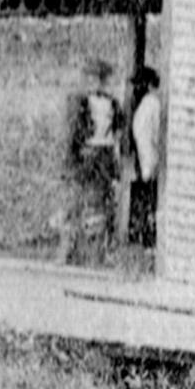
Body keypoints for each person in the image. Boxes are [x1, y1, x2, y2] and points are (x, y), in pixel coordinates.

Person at [61, 59, 124, 264]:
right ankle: (71, 250)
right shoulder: (81, 103)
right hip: (88, 155)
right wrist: (72, 159)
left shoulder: (113, 104)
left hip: (104, 155)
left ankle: (97, 252)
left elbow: (117, 132)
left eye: (100, 79)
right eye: (92, 78)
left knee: (102, 202)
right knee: (79, 201)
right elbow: (74, 134)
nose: (96, 82)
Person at [127, 66, 164, 248]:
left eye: (141, 84)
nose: (138, 87)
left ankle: (147, 236)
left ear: (149, 85)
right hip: (144, 154)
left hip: (150, 155)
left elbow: (156, 133)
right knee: (145, 192)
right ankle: (142, 234)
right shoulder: (146, 103)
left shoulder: (152, 103)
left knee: (149, 194)